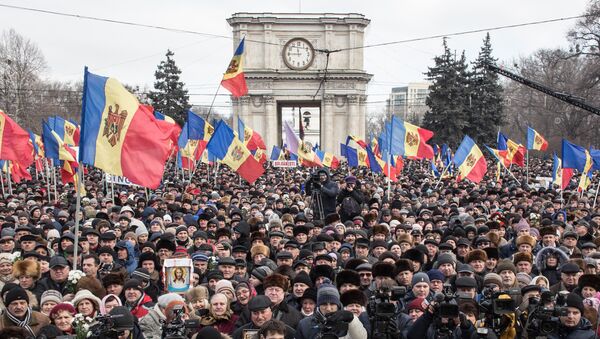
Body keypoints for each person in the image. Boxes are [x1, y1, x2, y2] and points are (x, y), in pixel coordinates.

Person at [295, 283, 367, 339]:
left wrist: (352, 319)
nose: (328, 308)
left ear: (338, 305)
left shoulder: (348, 321)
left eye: (332, 304)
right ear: (318, 305)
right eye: (324, 304)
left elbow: (362, 337)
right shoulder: (305, 324)